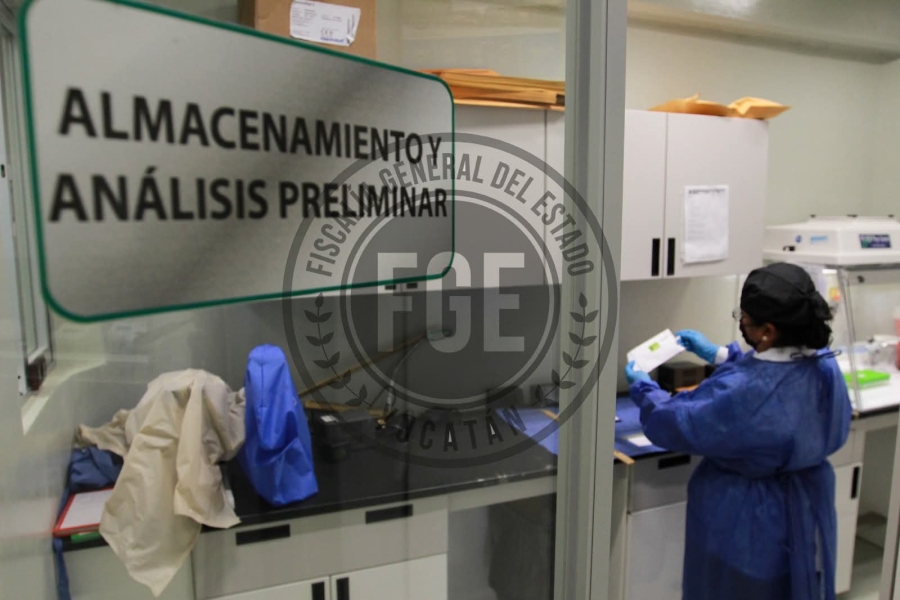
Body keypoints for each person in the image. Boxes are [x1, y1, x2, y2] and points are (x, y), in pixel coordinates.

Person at [624, 262, 852, 600]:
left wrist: (644, 389)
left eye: (744, 318)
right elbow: (773, 373)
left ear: (768, 331)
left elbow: (677, 421)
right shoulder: (824, 363)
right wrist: (720, 355)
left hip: (748, 521)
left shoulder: (742, 392)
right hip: (808, 505)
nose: (741, 323)